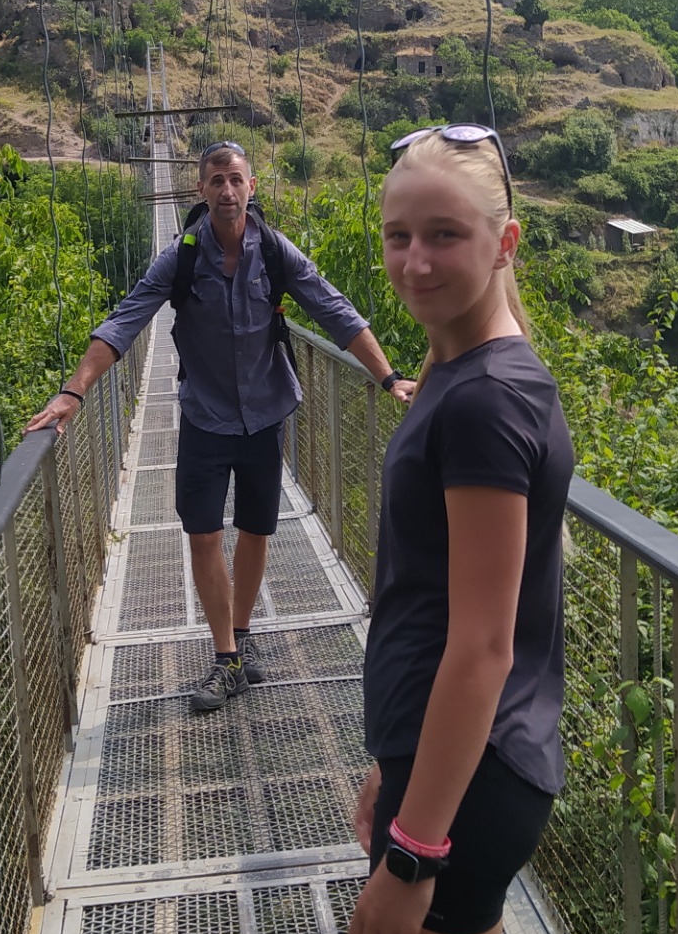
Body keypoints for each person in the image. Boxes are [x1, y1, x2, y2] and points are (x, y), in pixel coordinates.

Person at [316, 125, 584, 934]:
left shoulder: (479, 401)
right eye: (397, 237)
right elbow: (455, 620)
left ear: (504, 240)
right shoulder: (483, 375)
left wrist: (414, 850)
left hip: (463, 799)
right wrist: (396, 769)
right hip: (462, 774)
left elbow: (480, 644)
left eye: (444, 235)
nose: (415, 261)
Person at [25, 140, 416, 711]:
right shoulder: (180, 257)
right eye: (216, 180)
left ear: (250, 187)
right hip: (204, 417)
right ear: (202, 190)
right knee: (204, 533)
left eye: (236, 179)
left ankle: (242, 633)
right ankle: (226, 657)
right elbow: (126, 320)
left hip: (265, 416)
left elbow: (334, 309)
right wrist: (72, 392)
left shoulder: (276, 251)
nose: (227, 190)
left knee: (256, 530)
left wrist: (389, 378)